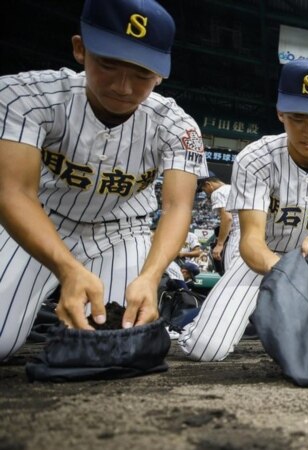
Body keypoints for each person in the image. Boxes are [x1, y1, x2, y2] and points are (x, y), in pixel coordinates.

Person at [0, 0, 206, 360]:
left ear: (161, 73)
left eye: (142, 73)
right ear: (80, 49)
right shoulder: (25, 96)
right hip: (40, 223)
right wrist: (66, 268)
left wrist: (150, 275)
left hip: (120, 233)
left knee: (115, 346)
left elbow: (177, 206)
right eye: (108, 63)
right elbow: (13, 192)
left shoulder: (177, 125)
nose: (123, 86)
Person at [180, 59, 308, 361]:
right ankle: (185, 320)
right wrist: (289, 275)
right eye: (298, 118)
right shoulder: (255, 158)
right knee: (205, 348)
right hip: (259, 257)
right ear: (280, 112)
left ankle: (279, 319)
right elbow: (251, 242)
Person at [197, 173, 239, 270]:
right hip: (248, 233)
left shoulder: (218, 192)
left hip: (236, 235)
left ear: (208, 184)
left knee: (230, 272)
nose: (205, 192)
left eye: (204, 189)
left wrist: (220, 244)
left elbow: (227, 218)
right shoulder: (233, 188)